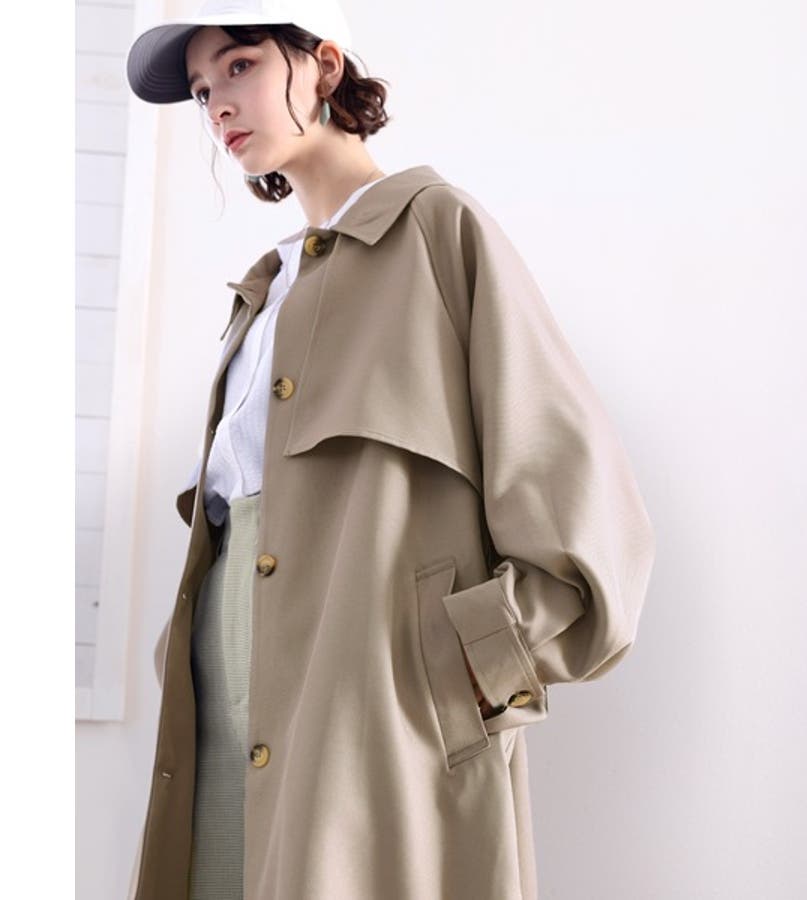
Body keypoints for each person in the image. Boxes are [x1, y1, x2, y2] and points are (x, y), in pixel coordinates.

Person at [124, 2, 657, 899]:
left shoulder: (439, 232)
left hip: (372, 700)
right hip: (218, 696)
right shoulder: (263, 292)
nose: (219, 105)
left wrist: (469, 667)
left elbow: (585, 505)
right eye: (202, 90)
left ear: (324, 67)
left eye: (242, 65)